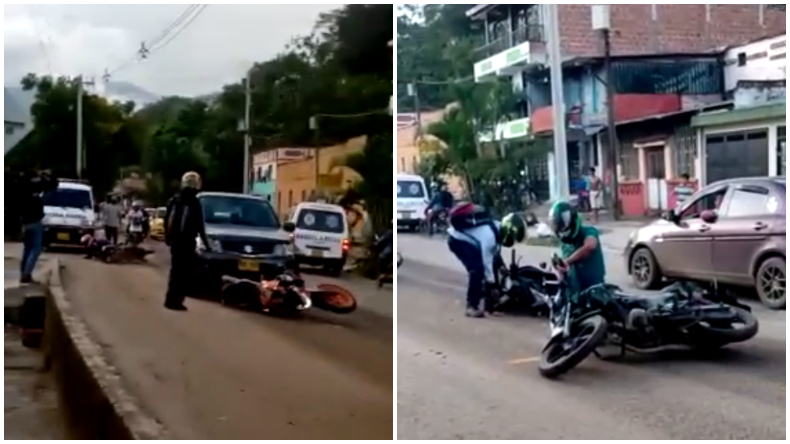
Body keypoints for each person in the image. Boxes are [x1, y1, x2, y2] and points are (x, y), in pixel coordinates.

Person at [446, 203, 525, 318]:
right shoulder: (490, 237)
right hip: (458, 241)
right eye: (513, 237)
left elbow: (495, 256)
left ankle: (490, 305)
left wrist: (502, 269)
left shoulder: (496, 227)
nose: (513, 240)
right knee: (477, 270)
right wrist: (492, 283)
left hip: (468, 241)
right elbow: (487, 262)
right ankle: (471, 306)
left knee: (491, 268)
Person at [163, 171, 211, 311]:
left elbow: (167, 221)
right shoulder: (194, 203)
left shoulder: (175, 200)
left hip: (177, 242)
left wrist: (168, 238)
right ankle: (176, 300)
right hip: (186, 242)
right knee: (183, 273)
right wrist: (206, 244)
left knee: (176, 272)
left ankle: (171, 300)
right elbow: (200, 225)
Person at [548, 200, 606, 296]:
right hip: (574, 293)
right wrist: (559, 271)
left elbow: (590, 246)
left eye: (562, 224)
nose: (560, 228)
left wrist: (568, 261)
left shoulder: (588, 231)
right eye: (558, 225)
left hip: (594, 292)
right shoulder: (564, 243)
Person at [17, 170, 59, 284]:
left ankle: (24, 273)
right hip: (35, 219)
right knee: (35, 248)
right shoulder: (39, 184)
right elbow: (54, 184)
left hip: (24, 219)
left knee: (27, 248)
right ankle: (26, 275)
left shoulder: (22, 185)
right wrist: (46, 176)